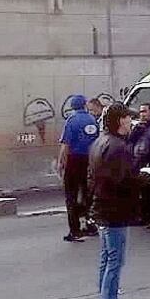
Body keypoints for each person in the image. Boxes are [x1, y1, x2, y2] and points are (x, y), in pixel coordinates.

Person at [89, 103, 145, 299]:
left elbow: (96, 177)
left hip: (102, 208)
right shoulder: (119, 147)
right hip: (114, 211)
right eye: (127, 118)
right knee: (114, 262)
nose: (131, 122)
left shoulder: (100, 142)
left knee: (107, 260)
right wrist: (141, 178)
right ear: (119, 121)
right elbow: (123, 180)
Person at [58, 95, 100, 242]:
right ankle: (90, 225)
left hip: (74, 161)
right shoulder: (92, 120)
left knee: (71, 196)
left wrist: (61, 163)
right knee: (88, 195)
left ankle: (75, 230)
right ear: (84, 105)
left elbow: (65, 145)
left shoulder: (71, 120)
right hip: (90, 160)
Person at [127, 103, 150, 228]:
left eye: (144, 111)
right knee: (143, 191)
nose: (142, 114)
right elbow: (130, 142)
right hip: (139, 161)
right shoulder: (140, 127)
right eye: (141, 112)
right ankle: (145, 216)